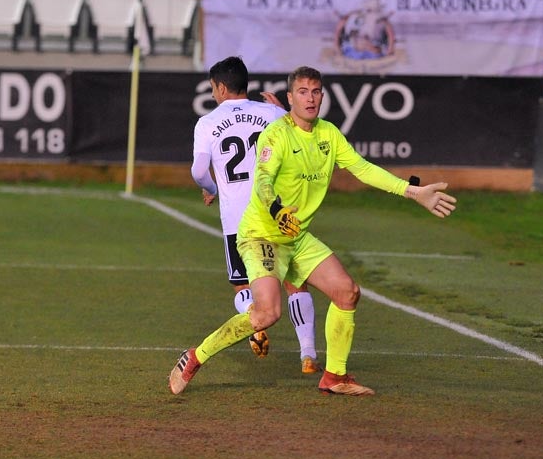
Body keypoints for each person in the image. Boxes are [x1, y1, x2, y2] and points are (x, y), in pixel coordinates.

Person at [170, 65, 457, 396]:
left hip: (296, 236)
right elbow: (262, 180)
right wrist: (277, 209)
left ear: (322, 96)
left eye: (316, 91)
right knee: (266, 314)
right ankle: (194, 357)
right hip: (262, 233)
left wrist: (412, 191)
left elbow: (363, 169)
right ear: (290, 98)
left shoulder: (329, 135)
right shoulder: (276, 133)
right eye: (303, 92)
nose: (311, 98)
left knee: (347, 292)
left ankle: (334, 376)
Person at [191, 56, 321, 374]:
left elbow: (198, 171)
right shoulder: (273, 113)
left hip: (239, 221)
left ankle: (254, 317)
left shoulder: (207, 123)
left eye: (212, 88)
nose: (213, 94)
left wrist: (211, 188)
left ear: (221, 87)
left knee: (243, 286)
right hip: (278, 214)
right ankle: (308, 355)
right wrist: (283, 114)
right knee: (296, 283)